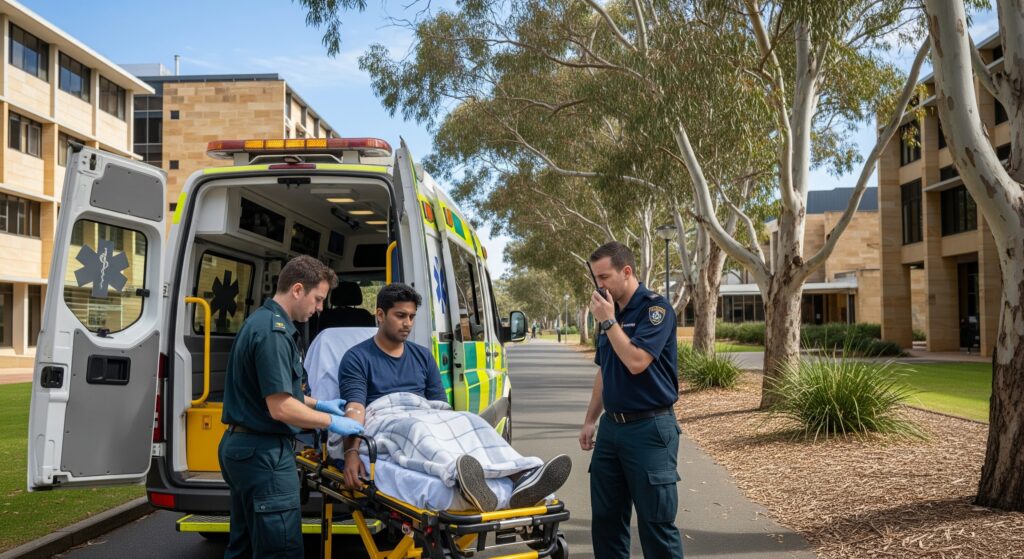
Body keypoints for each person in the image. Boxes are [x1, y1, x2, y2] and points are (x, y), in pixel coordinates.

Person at [335, 282, 571, 512]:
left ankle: (523, 474)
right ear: (380, 314)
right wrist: (351, 453)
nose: (407, 323)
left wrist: (451, 424)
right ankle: (460, 477)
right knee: (417, 428)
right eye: (400, 315)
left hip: (424, 411)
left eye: (411, 317)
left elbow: (440, 406)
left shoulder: (422, 356)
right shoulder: (357, 358)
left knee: (471, 420)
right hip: (384, 416)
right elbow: (355, 409)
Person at [218, 255, 365, 559]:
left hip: (244, 449)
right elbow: (281, 407)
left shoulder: (262, 322)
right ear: (298, 289)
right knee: (280, 551)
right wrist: (329, 421)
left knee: (244, 546)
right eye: (318, 299)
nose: (320, 308)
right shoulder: (274, 333)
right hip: (265, 455)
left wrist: (319, 402)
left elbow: (280, 389)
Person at [580, 242, 684, 559]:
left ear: (627, 272)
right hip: (612, 430)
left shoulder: (656, 309)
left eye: (605, 276)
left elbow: (637, 362)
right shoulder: (611, 312)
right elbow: (605, 370)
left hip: (650, 429)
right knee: (607, 523)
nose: (600, 285)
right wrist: (590, 419)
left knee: (656, 526)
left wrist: (610, 322)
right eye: (596, 278)